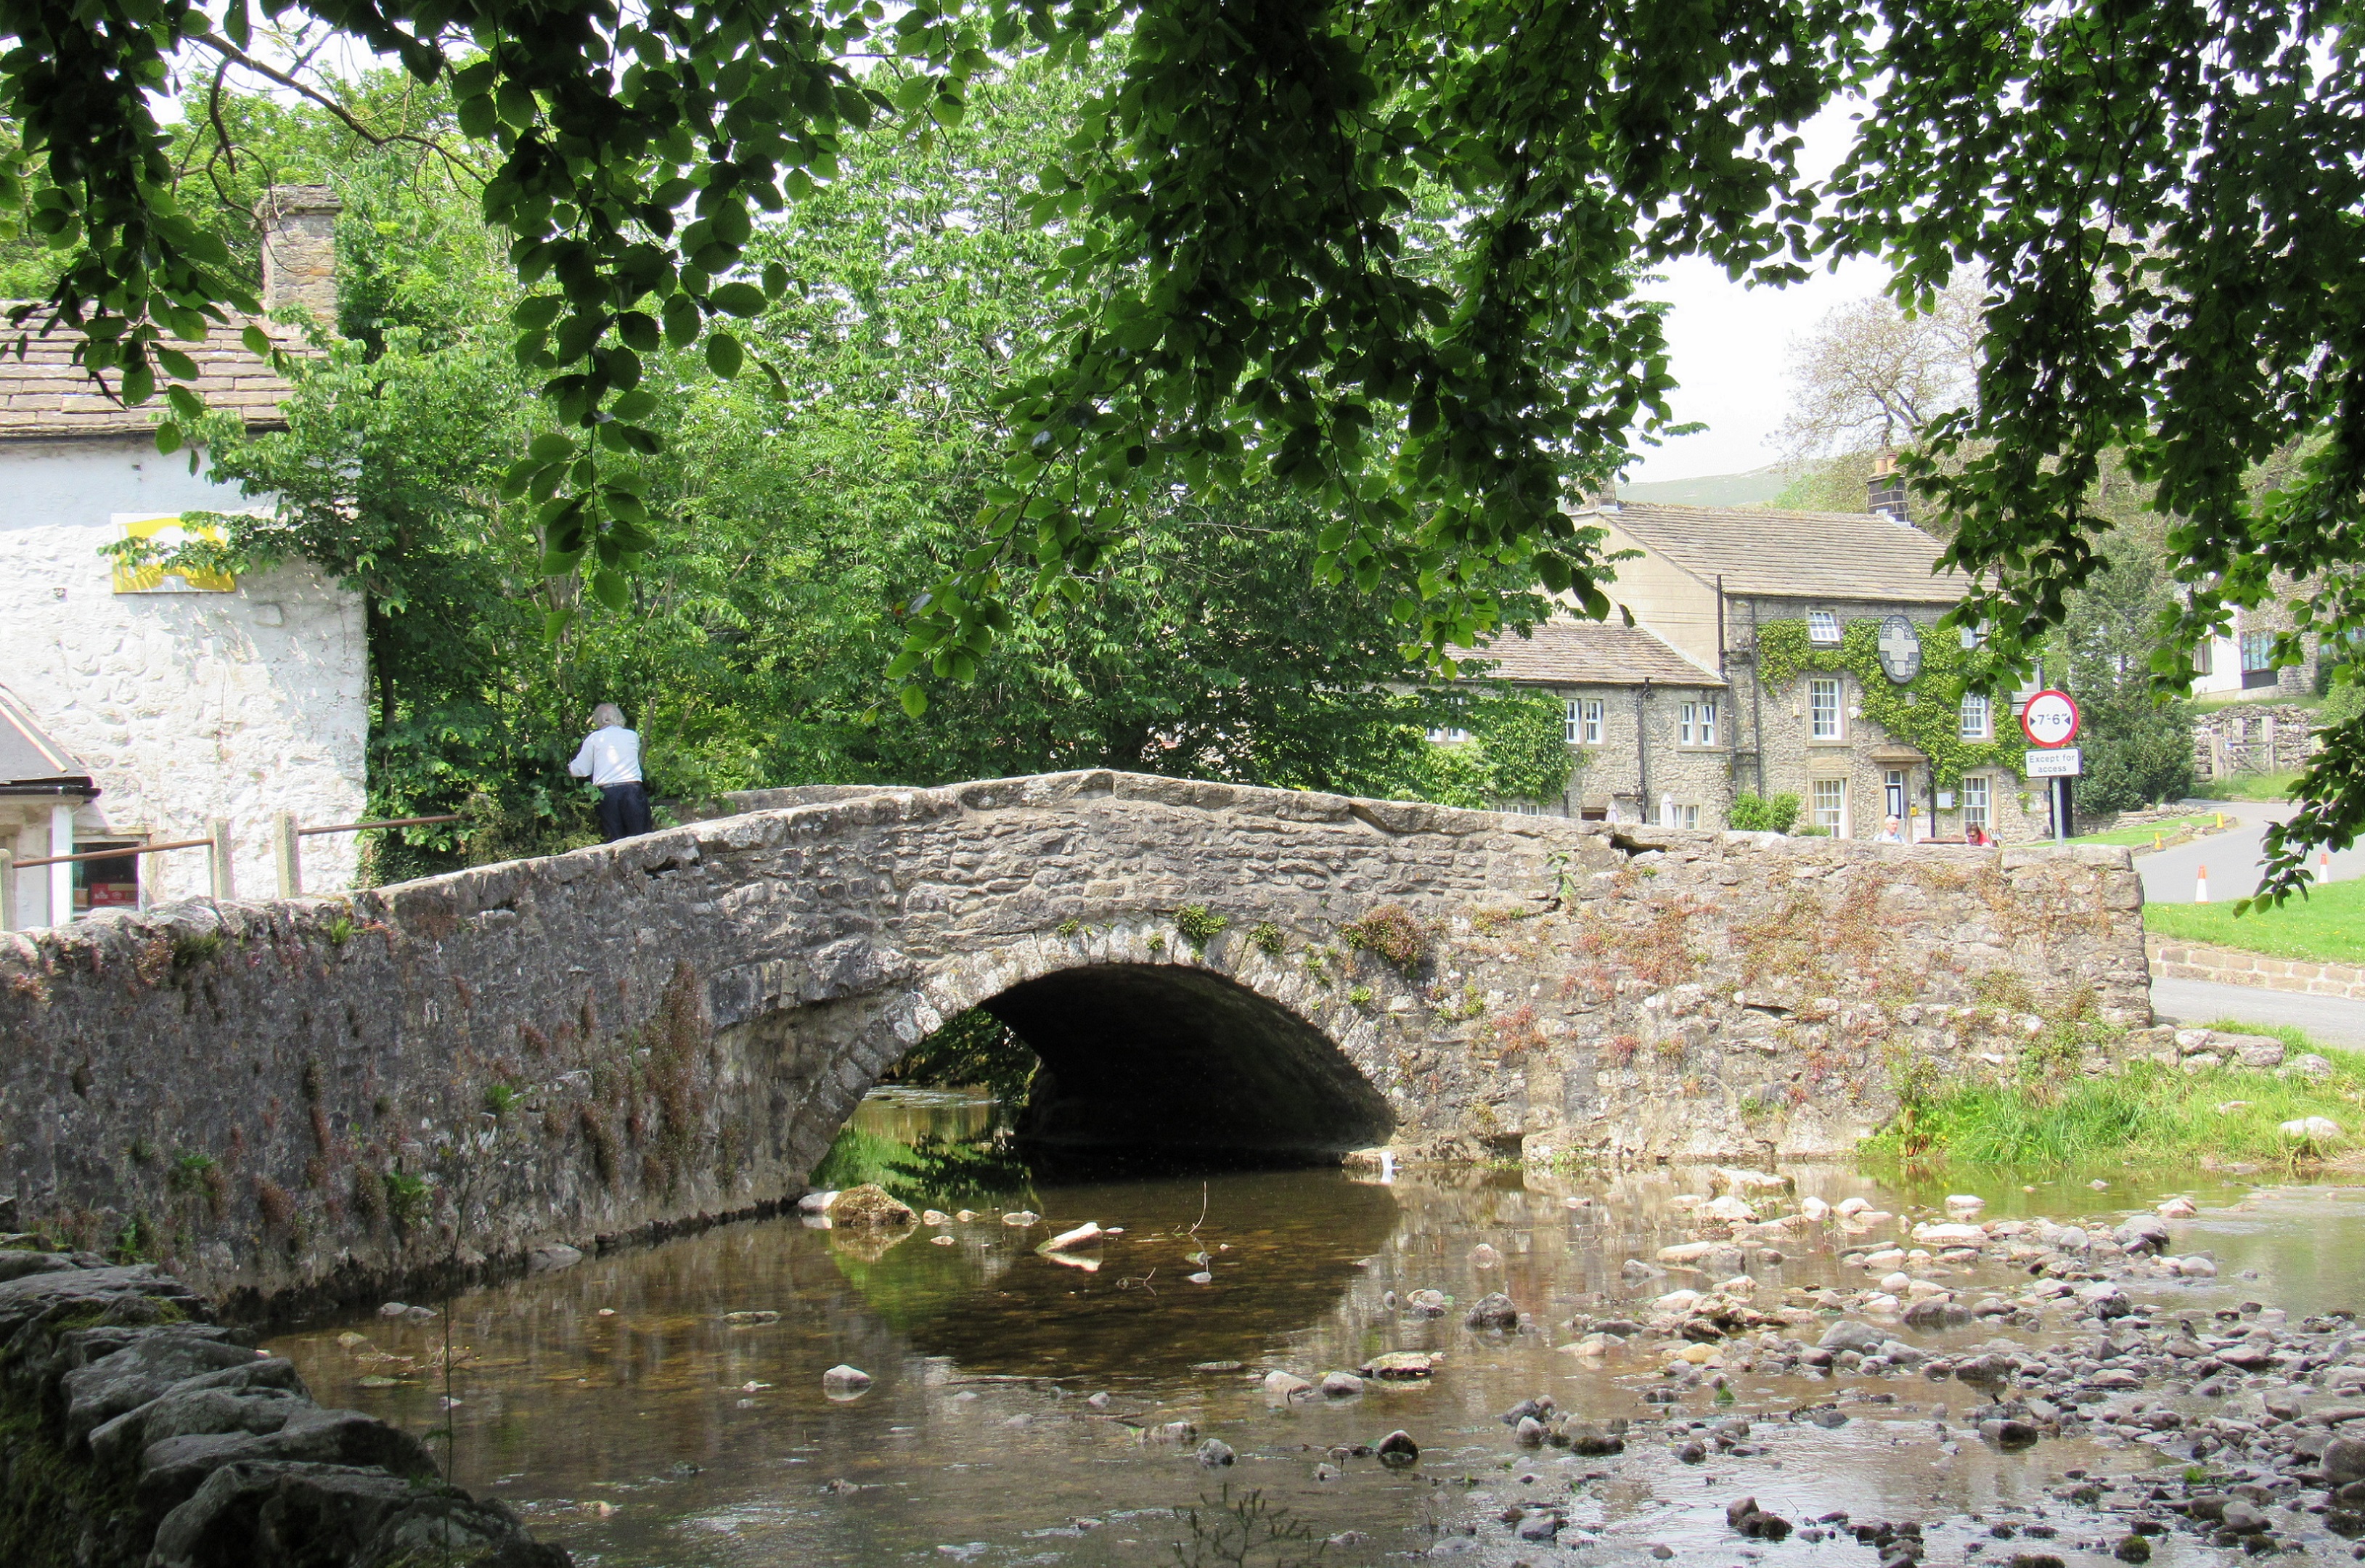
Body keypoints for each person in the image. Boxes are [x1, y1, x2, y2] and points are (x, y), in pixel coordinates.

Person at [569, 703, 652, 842]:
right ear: (619, 717)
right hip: (633, 790)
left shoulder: (594, 739)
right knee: (642, 839)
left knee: (615, 843)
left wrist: (570, 767)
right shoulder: (632, 736)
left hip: (608, 795)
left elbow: (581, 769)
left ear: (598, 720)